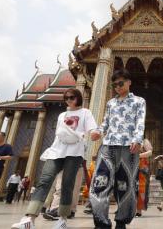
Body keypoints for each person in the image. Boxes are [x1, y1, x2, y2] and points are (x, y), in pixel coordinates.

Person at [11, 88, 98, 229]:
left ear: (78, 98)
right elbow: (59, 134)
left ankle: (62, 219)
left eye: (71, 97)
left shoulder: (85, 113)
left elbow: (92, 129)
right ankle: (29, 219)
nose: (68, 100)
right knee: (44, 181)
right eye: (66, 98)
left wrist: (94, 133)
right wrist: (50, 150)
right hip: (57, 151)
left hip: (75, 152)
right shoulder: (62, 115)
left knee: (67, 185)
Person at [90, 69, 146, 229]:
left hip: (128, 147)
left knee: (125, 184)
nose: (118, 87)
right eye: (114, 85)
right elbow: (105, 123)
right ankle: (101, 221)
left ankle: (121, 221)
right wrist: (98, 132)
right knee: (100, 181)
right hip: (108, 145)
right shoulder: (110, 103)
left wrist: (137, 139)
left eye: (121, 83)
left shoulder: (138, 101)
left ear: (129, 82)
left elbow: (140, 122)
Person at [136, 139, 153, 217]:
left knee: (141, 189)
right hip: (130, 166)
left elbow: (150, 153)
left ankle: (138, 210)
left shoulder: (144, 141)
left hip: (141, 168)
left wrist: (138, 156)